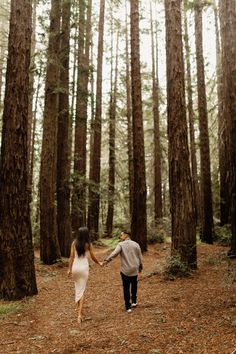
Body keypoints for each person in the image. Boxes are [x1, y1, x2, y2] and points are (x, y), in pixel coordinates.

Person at [67, 226, 102, 324]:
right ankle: (79, 315)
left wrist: (69, 269)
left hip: (75, 267)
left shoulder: (74, 243)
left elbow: (71, 256)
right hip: (84, 268)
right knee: (81, 290)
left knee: (77, 288)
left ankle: (80, 310)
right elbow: (93, 256)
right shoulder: (88, 244)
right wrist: (99, 263)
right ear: (86, 234)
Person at [102, 231, 143, 313]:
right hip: (134, 269)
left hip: (126, 270)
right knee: (134, 285)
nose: (120, 237)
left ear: (126, 235)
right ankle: (134, 302)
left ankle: (128, 307)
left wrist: (106, 260)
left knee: (126, 287)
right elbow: (140, 256)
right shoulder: (136, 244)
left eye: (121, 235)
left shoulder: (121, 245)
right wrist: (140, 267)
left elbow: (114, 254)